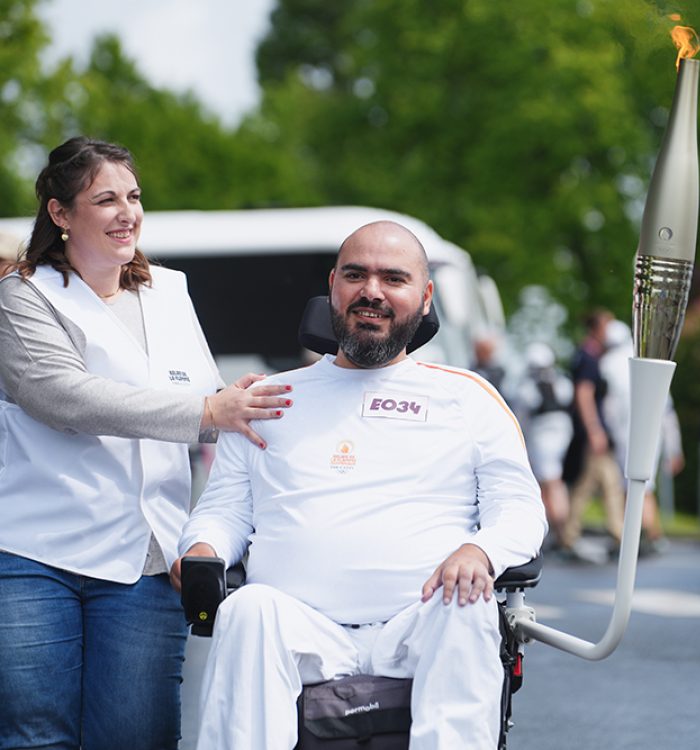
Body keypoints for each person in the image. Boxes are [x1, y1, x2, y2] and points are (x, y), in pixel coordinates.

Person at [171, 220, 547, 750]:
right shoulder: (266, 398)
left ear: (424, 296)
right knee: (248, 609)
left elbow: (521, 511)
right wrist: (201, 547)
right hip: (300, 625)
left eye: (393, 278)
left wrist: (479, 550)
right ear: (332, 286)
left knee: (467, 603)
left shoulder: (468, 398)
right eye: (356, 274)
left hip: (422, 619)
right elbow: (226, 508)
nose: (372, 291)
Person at [0, 137, 293, 750]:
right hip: (33, 556)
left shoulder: (170, 291)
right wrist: (207, 408)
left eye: (133, 196)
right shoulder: (23, 295)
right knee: (35, 738)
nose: (127, 212)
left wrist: (205, 532)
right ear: (59, 214)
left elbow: (208, 407)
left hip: (147, 560)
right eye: (105, 199)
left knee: (139, 738)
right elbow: (60, 396)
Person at [599, 319, 684, 555]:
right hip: (653, 433)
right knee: (646, 485)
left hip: (625, 434)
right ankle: (651, 535)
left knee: (633, 486)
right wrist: (674, 449)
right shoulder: (648, 361)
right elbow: (667, 411)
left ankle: (641, 537)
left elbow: (609, 407)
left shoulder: (607, 364)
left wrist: (606, 433)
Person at [560, 309, 624, 561]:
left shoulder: (586, 354)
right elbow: (584, 395)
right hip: (592, 432)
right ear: (597, 328)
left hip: (588, 431)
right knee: (607, 483)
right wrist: (595, 430)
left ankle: (570, 534)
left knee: (587, 485)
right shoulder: (588, 357)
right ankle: (617, 534)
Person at [513, 341, 573, 549]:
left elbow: (521, 419)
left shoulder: (527, 387)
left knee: (549, 483)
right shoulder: (562, 382)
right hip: (563, 433)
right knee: (552, 482)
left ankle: (559, 532)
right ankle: (557, 531)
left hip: (541, 436)